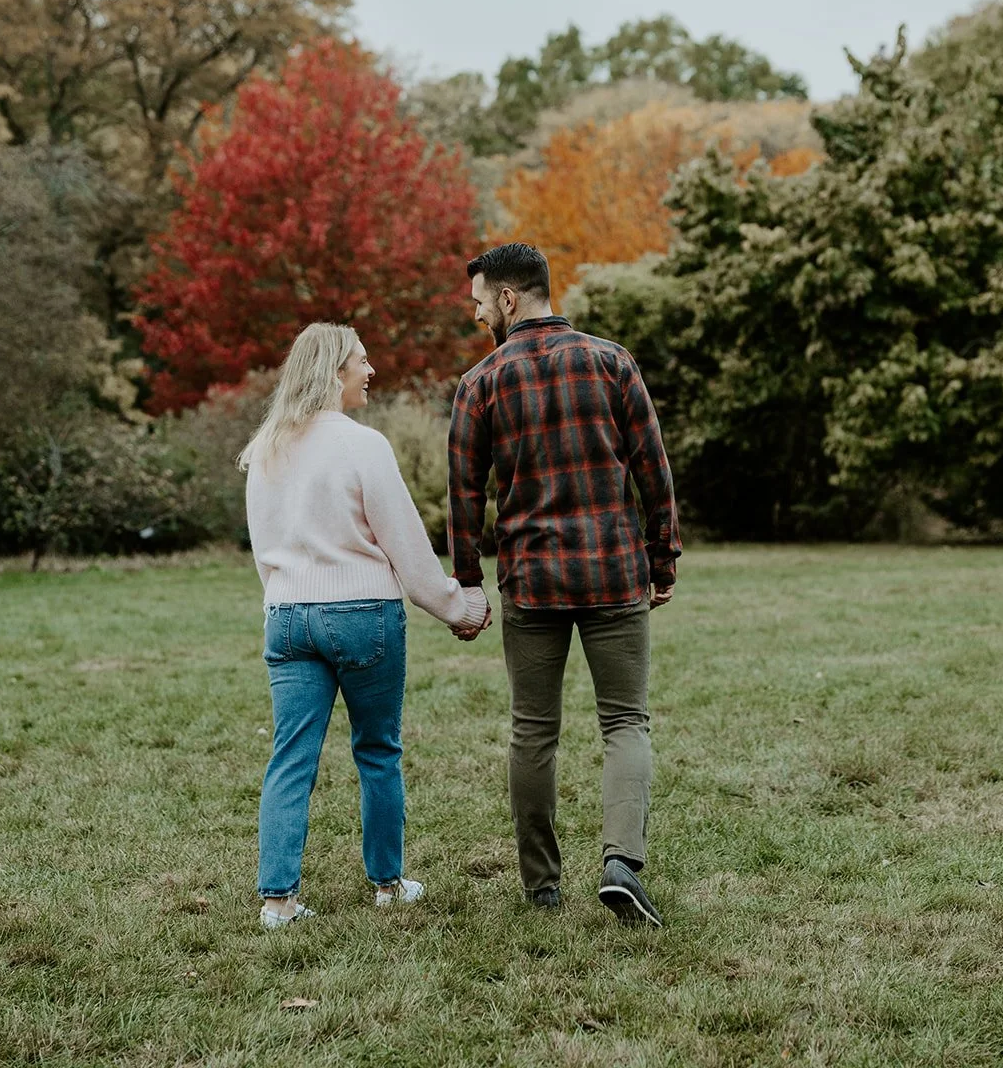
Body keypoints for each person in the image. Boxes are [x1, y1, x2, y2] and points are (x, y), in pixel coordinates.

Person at [447, 243, 680, 926]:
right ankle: (620, 865)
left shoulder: (480, 382)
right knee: (625, 722)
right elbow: (653, 471)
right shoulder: (612, 362)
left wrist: (468, 582)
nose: (478, 314)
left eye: (481, 302)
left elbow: (464, 498)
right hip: (612, 569)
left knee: (532, 732)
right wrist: (659, 561)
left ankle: (541, 887)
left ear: (509, 299)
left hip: (531, 578)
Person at [240, 322, 490, 929]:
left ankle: (278, 901)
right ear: (333, 372)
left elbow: (263, 548)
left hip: (287, 618)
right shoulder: (363, 446)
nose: (371, 368)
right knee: (378, 751)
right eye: (361, 359)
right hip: (362, 617)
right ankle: (387, 883)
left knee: (290, 758)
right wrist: (460, 608)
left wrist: (287, 601)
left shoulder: (265, 449)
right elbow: (406, 548)